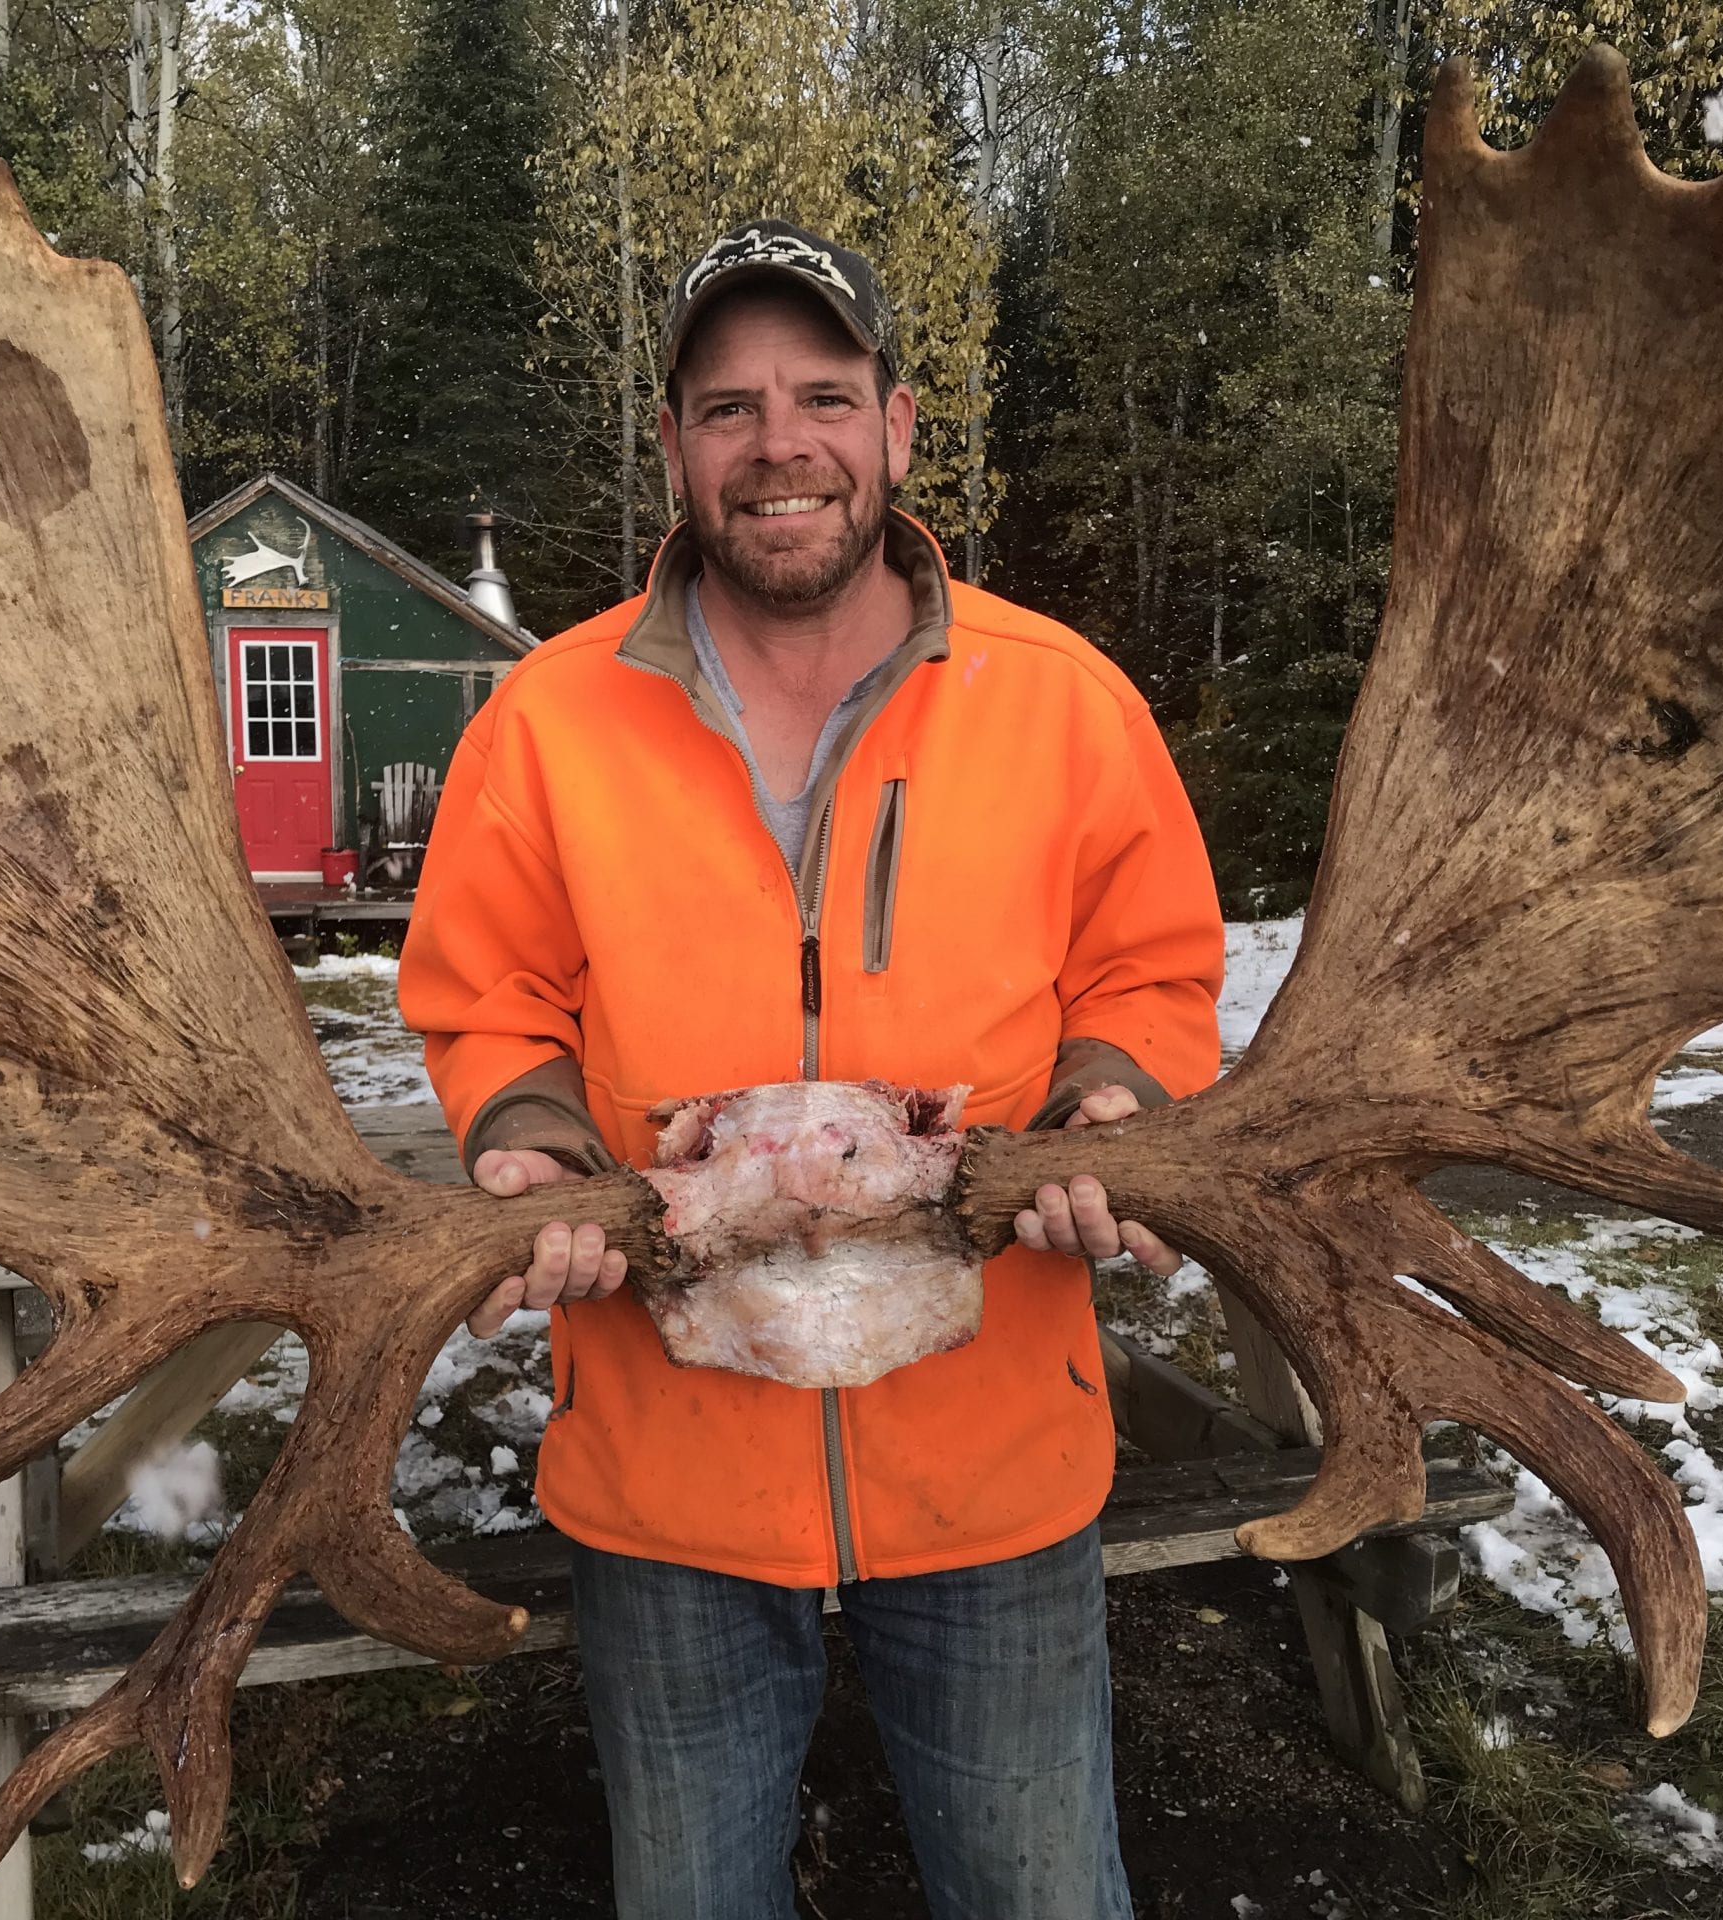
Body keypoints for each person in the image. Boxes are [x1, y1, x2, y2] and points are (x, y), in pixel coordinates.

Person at [398, 218, 1225, 1920]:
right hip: (667, 1464)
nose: (782, 445)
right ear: (678, 448)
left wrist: (1113, 1104)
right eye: (731, 407)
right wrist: (531, 1142)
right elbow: (492, 997)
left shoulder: (1062, 704)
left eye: (824, 397)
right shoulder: (545, 724)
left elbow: (1148, 970)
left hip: (992, 1454)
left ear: (899, 429)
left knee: (1040, 1892)